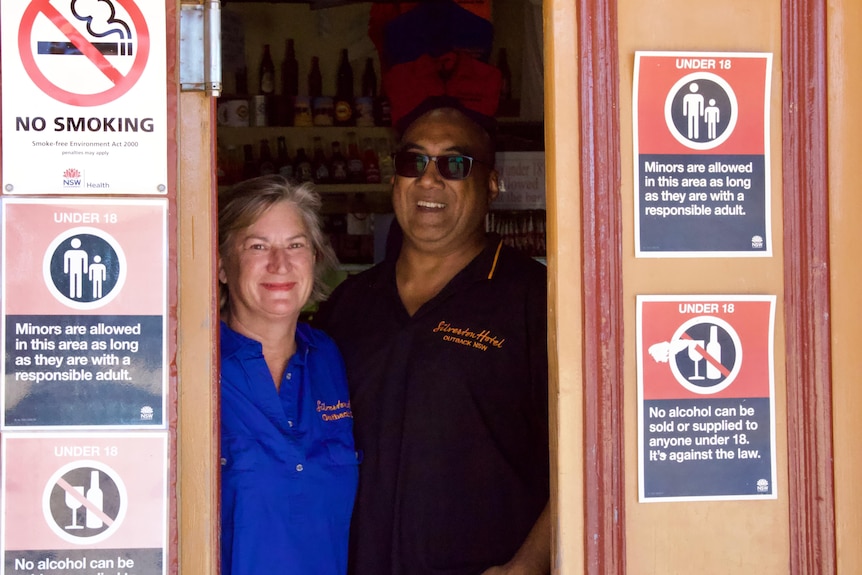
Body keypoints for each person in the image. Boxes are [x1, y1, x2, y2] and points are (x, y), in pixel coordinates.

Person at [316, 96, 550, 575]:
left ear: (492, 185)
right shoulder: (349, 305)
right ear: (394, 178)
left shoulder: (535, 300)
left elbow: (586, 453)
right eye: (413, 161)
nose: (429, 178)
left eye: (454, 164)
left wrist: (527, 566)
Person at [218, 175, 359, 575]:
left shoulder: (330, 358)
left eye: (295, 245)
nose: (280, 264)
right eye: (258, 246)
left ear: (314, 259)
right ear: (223, 265)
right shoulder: (193, 367)